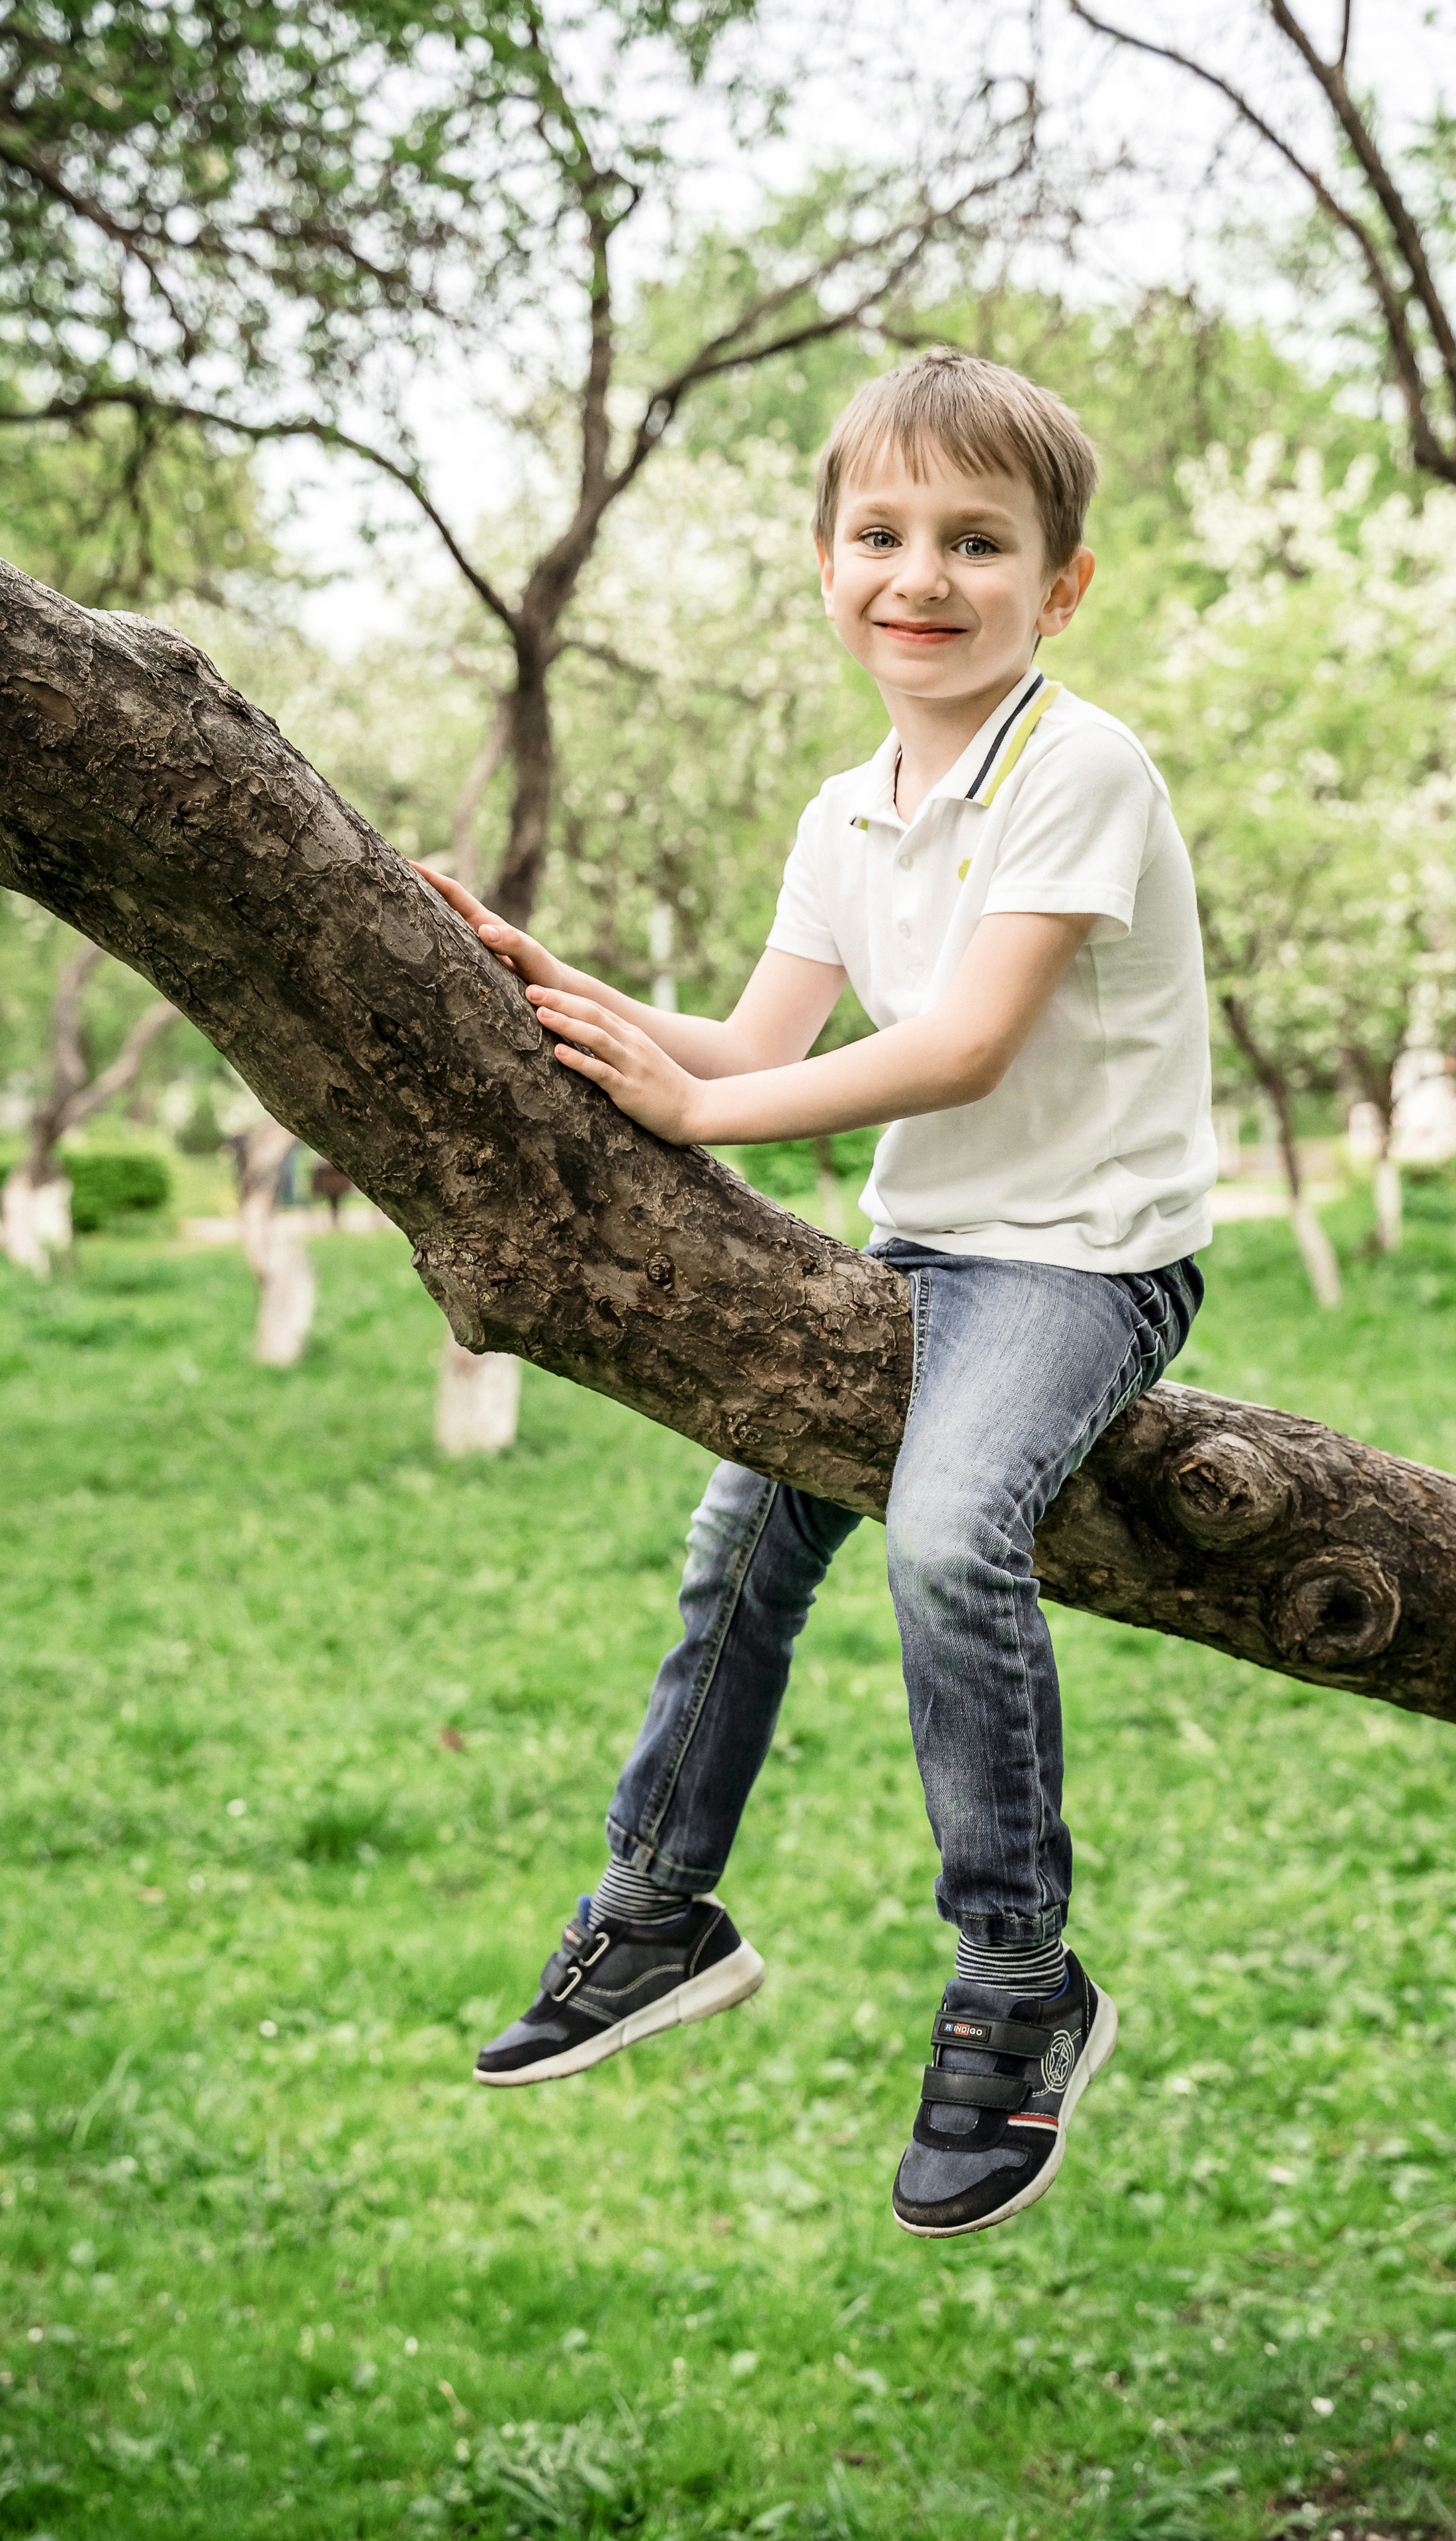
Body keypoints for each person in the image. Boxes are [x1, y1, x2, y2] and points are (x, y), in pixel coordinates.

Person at [415, 348, 1215, 2240]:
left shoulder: (1080, 767)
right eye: (880, 534)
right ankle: (658, 1908)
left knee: (945, 1538)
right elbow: (752, 1043)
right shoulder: (846, 809)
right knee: (741, 1545)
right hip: (925, 1253)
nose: (919, 576)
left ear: (1061, 585)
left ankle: (1022, 1973)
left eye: (976, 543)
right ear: (828, 562)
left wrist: (702, 1113)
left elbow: (960, 1045)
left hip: (1087, 1260)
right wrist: (552, 988)